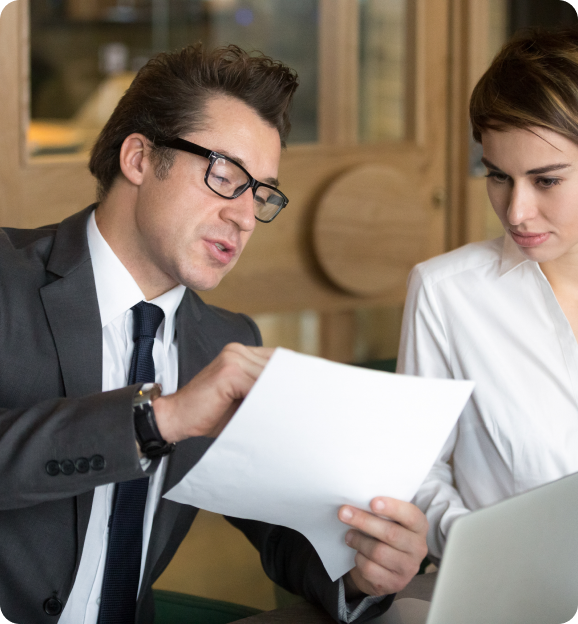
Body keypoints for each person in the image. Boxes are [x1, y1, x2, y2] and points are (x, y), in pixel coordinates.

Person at [0, 43, 428, 624]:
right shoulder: (7, 279)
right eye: (226, 174)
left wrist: (362, 571)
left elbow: (281, 532)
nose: (246, 216)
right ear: (140, 158)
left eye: (261, 192)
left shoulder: (223, 342)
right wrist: (158, 419)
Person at [398, 27, 578, 562]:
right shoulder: (446, 292)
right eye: (498, 176)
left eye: (545, 181)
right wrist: (485, 548)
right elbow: (417, 471)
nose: (516, 211)